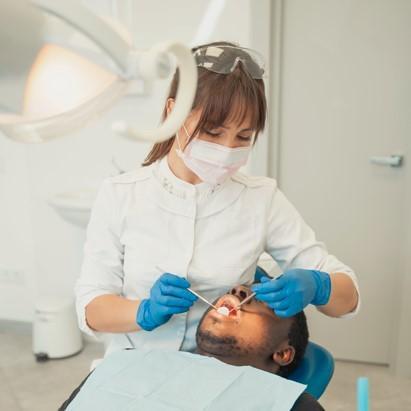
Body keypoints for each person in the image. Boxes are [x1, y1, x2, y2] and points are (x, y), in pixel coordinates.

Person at [75, 40, 360, 357]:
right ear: (174, 112)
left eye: (242, 137)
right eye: (212, 132)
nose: (227, 148)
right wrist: (143, 311)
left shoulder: (261, 199)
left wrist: (318, 286)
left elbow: (346, 298)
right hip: (133, 363)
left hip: (222, 369)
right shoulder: (121, 195)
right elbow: (92, 310)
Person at [60, 285, 323, 410]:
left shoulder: (294, 406)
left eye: (265, 300)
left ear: (283, 353)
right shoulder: (125, 363)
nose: (240, 290)